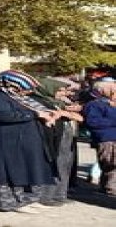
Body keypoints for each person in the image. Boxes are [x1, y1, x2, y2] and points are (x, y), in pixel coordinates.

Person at [0, 70, 57, 213]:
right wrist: (34, 114)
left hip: (23, 141)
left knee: (26, 170)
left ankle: (25, 200)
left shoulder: (18, 98)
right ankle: (8, 203)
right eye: (24, 88)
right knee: (8, 172)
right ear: (14, 85)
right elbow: (1, 115)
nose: (27, 92)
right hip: (6, 141)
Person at [31, 77, 81, 205]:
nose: (63, 94)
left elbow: (79, 117)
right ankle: (47, 196)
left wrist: (65, 113)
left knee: (65, 166)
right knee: (54, 165)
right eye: (60, 90)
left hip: (65, 136)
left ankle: (60, 194)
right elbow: (52, 115)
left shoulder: (58, 103)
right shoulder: (40, 101)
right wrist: (65, 114)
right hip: (52, 137)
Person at [84, 81, 116, 196]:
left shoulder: (111, 104)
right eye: (113, 90)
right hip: (106, 138)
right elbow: (92, 122)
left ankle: (107, 187)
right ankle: (110, 188)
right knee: (110, 164)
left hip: (111, 137)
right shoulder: (94, 105)